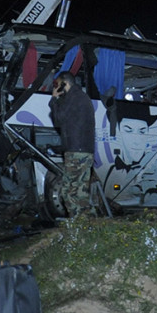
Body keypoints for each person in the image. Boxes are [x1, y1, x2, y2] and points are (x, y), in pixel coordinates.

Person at [49, 71, 96, 219]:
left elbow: (59, 119)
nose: (56, 87)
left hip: (77, 150)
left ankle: (83, 222)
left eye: (58, 84)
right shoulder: (78, 97)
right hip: (78, 149)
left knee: (74, 191)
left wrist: (54, 99)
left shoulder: (75, 97)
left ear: (65, 83)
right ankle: (81, 221)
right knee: (72, 190)